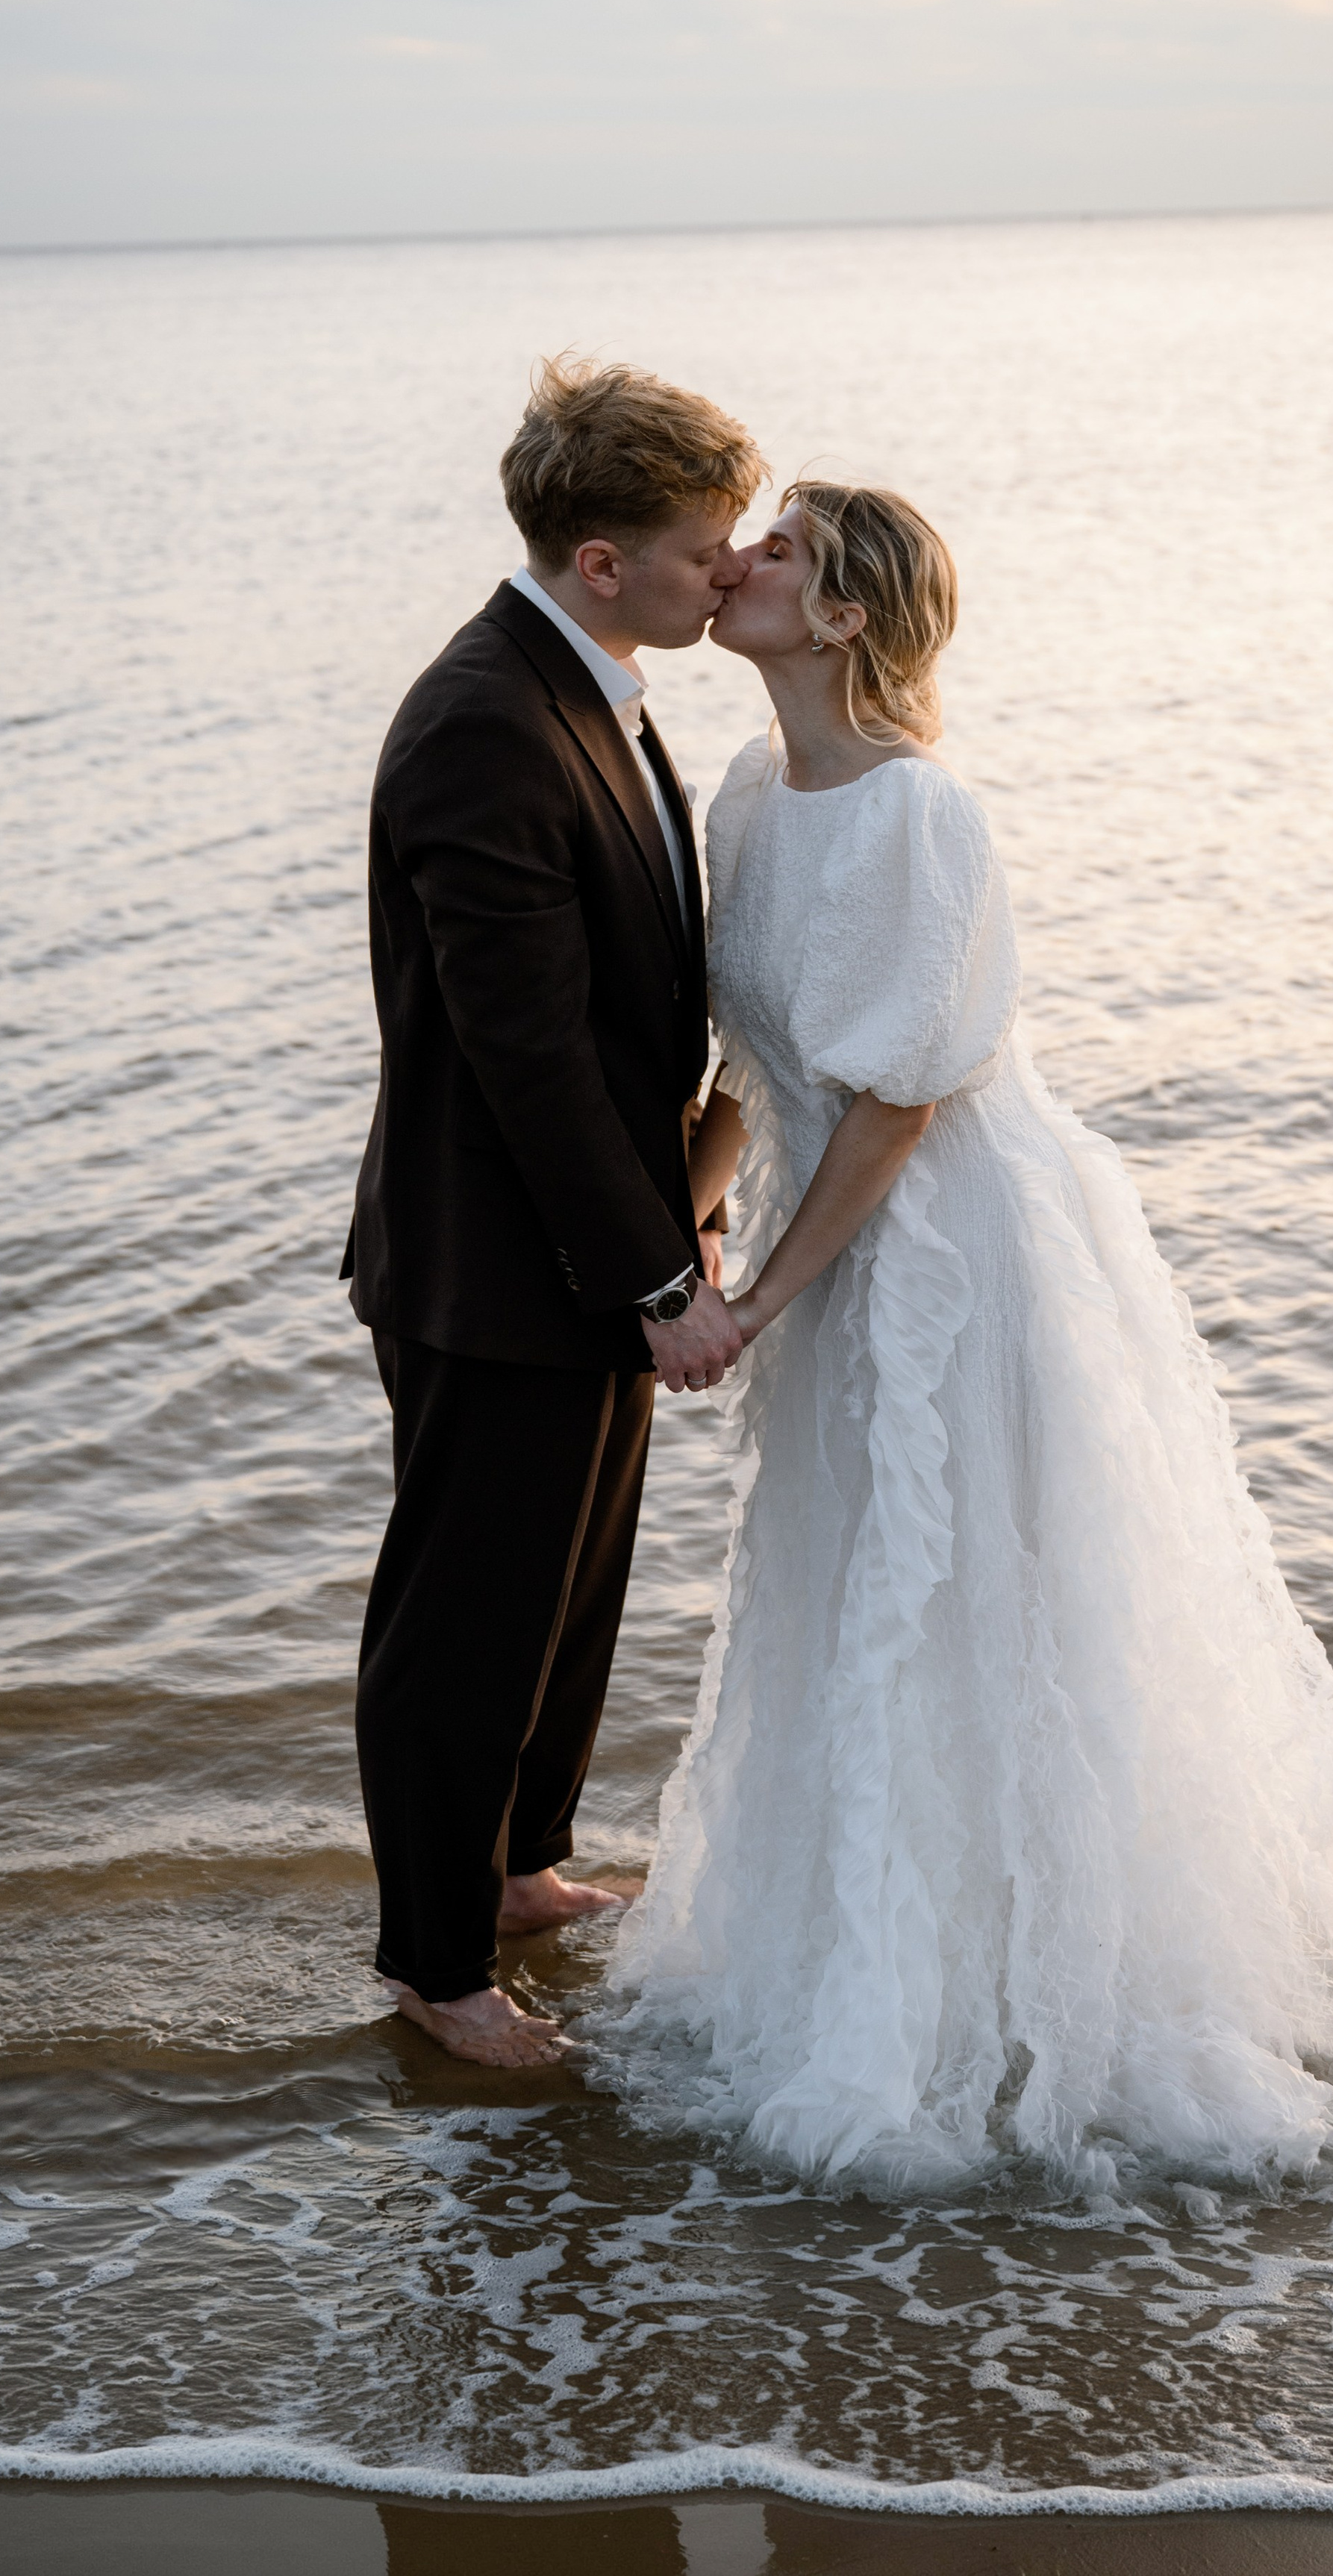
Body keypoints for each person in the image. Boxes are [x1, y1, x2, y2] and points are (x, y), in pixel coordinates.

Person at [603, 481, 1333, 2184]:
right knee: (851, 1603)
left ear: (838, 618)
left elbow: (895, 1102)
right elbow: (765, 1056)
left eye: (777, 551)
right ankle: (870, 1957)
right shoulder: (755, 790)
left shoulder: (921, 818)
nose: (733, 562)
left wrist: (750, 1302)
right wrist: (694, 1203)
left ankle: (1043, 1998)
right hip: (823, 1239)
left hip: (950, 1256)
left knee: (978, 1598)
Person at [343, 357, 761, 2066]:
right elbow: (521, 1059)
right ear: (602, 558)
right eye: (701, 549)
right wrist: (661, 1276)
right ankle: (435, 1971)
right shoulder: (481, 726)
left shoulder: (592, 677)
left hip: (590, 1240)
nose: (725, 573)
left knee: (569, 1592)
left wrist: (688, 1217)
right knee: (465, 1618)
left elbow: (624, 1012)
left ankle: (515, 1869)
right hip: (491, 1261)